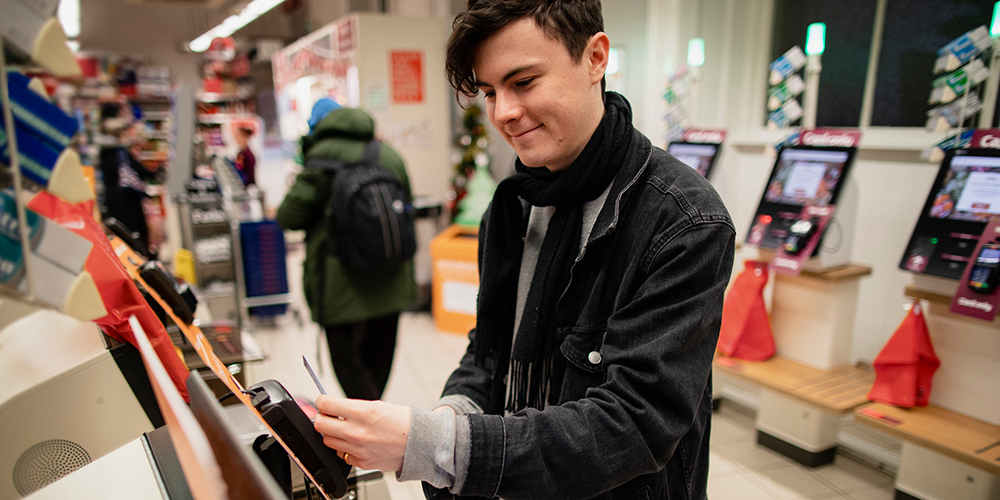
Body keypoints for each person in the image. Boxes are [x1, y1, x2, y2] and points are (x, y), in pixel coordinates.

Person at [312, 1, 735, 499]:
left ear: (596, 57)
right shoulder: (513, 206)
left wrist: (433, 445)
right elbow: (489, 355)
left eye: (524, 82)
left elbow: (633, 425)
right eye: (490, 91)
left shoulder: (684, 222)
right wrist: (448, 416)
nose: (504, 113)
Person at [277, 102, 416, 401]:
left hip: (340, 288)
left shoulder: (321, 159)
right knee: (377, 373)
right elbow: (407, 209)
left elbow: (289, 217)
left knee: (352, 374)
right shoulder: (389, 154)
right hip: (391, 279)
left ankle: (372, 433)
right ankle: (377, 425)